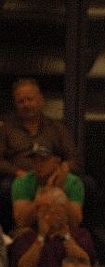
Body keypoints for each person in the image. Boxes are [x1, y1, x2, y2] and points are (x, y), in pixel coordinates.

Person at [0, 78, 80, 234]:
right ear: (16, 105)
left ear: (41, 100)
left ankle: (77, 233)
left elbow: (75, 159)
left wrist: (61, 170)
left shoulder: (57, 128)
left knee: (86, 184)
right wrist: (17, 172)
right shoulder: (6, 128)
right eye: (21, 101)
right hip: (20, 178)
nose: (26, 104)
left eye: (30, 99)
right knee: (5, 188)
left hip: (54, 177)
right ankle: (10, 235)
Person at [10, 191, 95, 267]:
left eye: (57, 209)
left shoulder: (81, 235)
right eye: (45, 209)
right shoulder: (26, 237)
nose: (51, 214)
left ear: (66, 211)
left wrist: (66, 237)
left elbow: (85, 264)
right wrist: (41, 237)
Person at [11, 143, 84, 231]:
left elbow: (75, 222)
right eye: (35, 160)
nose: (38, 164)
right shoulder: (22, 182)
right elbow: (21, 221)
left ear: (57, 161)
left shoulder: (74, 183)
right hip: (32, 233)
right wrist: (47, 193)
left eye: (43, 160)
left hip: (64, 233)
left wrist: (58, 191)